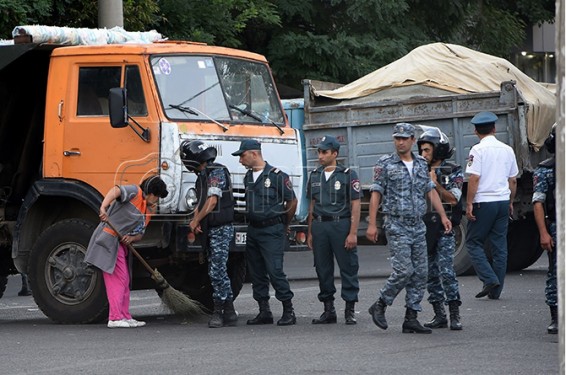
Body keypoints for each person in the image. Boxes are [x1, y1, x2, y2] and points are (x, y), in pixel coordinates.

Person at [366, 123, 452, 334]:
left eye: (404, 138)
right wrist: (371, 223)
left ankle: (411, 317)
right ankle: (380, 304)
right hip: (397, 223)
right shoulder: (385, 164)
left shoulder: (422, 164)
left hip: (417, 225)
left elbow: (429, 190)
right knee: (404, 271)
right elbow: (376, 192)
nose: (400, 142)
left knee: (420, 273)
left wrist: (442, 215)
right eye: (397, 138)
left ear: (413, 140)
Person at [85, 176, 168, 328]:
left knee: (125, 280)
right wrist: (103, 207)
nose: (157, 201)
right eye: (156, 197)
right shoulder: (135, 192)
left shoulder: (147, 210)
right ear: (150, 192)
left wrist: (132, 237)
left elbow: (140, 233)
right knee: (118, 279)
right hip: (109, 239)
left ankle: (124, 315)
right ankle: (115, 318)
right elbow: (115, 190)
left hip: (121, 245)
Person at [232, 139, 298, 326]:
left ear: (254, 154)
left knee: (275, 270)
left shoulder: (277, 176)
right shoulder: (248, 177)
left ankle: (288, 310)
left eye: (242, 155)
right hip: (254, 229)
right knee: (256, 272)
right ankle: (264, 311)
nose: (240, 160)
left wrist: (285, 222)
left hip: (272, 229)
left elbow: (291, 202)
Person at [181, 140, 237, 328]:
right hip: (211, 229)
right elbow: (200, 202)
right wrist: (195, 218)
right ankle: (229, 311)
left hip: (221, 228)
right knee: (217, 269)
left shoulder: (216, 172)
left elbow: (212, 201)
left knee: (217, 271)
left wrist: (196, 220)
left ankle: (219, 311)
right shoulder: (202, 176)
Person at [307, 135, 361, 325]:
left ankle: (349, 309)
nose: (320, 156)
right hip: (320, 226)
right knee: (323, 268)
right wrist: (310, 231)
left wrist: (353, 232)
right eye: (319, 152)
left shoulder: (347, 175)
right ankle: (328, 309)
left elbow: (355, 205)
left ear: (335, 153)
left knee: (348, 266)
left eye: (324, 152)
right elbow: (312, 205)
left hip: (341, 224)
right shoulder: (314, 175)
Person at [465, 111, 518, 300]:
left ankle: (488, 278)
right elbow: (512, 180)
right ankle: (496, 291)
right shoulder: (507, 149)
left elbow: (474, 178)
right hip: (503, 201)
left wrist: (469, 203)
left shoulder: (477, 150)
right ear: (494, 129)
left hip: (483, 202)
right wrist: (511, 201)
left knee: (473, 242)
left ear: (475, 131)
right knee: (499, 247)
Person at [417, 127, 463, 330]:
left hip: (444, 228)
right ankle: (439, 314)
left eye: (427, 150)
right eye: (421, 150)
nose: (423, 155)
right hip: (423, 228)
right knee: (429, 273)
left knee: (446, 271)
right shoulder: (418, 169)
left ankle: (455, 314)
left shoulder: (453, 171)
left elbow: (454, 199)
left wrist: (435, 185)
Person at [532, 124, 558, 334]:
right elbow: (538, 202)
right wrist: (544, 232)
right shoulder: (546, 169)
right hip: (558, 226)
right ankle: (556, 316)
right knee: (556, 273)